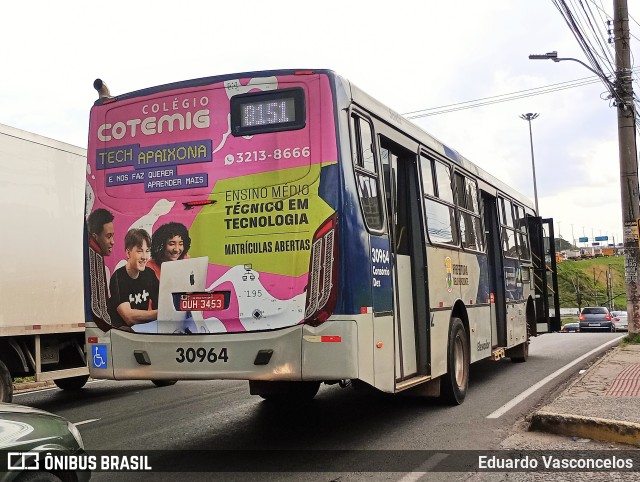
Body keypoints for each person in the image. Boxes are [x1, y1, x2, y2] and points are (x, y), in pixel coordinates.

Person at [108, 228, 159, 329]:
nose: (145, 257)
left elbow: (161, 303)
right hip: (121, 332)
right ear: (128, 253)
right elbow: (129, 317)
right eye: (139, 251)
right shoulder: (118, 278)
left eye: (147, 251)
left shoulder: (150, 274)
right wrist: (161, 314)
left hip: (142, 330)